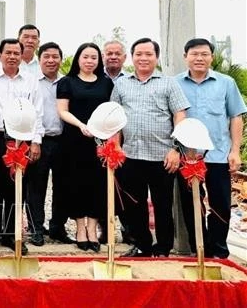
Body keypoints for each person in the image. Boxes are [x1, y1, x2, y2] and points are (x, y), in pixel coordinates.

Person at [111, 37, 189, 257]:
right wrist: (115, 146)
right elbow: (114, 117)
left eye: (148, 54)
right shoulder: (122, 84)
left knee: (163, 205)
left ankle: (163, 247)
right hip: (131, 155)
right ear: (132, 57)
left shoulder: (168, 83)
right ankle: (143, 245)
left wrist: (177, 149)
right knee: (134, 205)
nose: (143, 58)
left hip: (162, 156)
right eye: (139, 54)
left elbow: (180, 115)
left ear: (157, 57)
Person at [175, 38, 246, 259]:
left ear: (211, 57)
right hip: (186, 156)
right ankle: (200, 249)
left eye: (204, 54)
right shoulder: (174, 83)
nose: (199, 58)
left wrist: (235, 150)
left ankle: (219, 250)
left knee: (221, 204)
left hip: (218, 155)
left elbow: (236, 117)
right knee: (191, 204)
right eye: (194, 54)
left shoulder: (225, 83)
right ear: (185, 56)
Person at [0, 38, 43, 255]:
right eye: (7, 52)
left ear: (22, 55)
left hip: (22, 141)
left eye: (16, 53)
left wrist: (36, 140)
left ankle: (10, 234)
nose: (12, 56)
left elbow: (38, 111)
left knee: (16, 190)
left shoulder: (30, 80)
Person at [56, 42, 114, 253]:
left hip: (100, 142)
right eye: (85, 57)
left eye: (94, 58)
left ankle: (93, 229)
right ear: (78, 59)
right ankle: (80, 228)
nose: (89, 61)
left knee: (97, 185)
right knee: (76, 184)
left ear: (99, 61)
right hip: (74, 140)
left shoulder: (106, 83)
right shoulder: (67, 82)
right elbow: (62, 110)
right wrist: (81, 125)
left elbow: (112, 110)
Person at [33, 42, 75, 244]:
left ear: (61, 58)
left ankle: (58, 227)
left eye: (55, 56)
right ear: (39, 59)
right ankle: (36, 228)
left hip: (63, 141)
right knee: (37, 187)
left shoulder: (68, 82)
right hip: (39, 141)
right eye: (46, 57)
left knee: (63, 186)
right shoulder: (32, 82)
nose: (51, 60)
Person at [101, 39, 132, 244]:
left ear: (124, 57)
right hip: (99, 140)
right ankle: (106, 229)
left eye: (117, 53)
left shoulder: (130, 80)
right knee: (103, 186)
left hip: (126, 141)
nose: (112, 56)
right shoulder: (96, 78)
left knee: (127, 186)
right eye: (109, 53)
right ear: (104, 56)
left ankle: (129, 229)